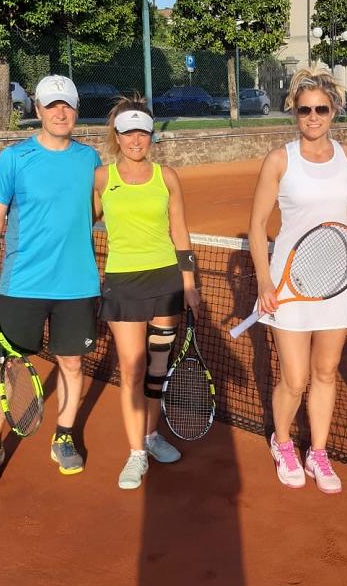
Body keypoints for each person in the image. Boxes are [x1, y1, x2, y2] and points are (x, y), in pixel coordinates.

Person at [0, 75, 101, 494]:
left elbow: (98, 210)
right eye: (52, 105)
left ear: (76, 110)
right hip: (21, 284)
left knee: (72, 365)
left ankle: (63, 436)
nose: (60, 112)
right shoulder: (14, 158)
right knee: (7, 367)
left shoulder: (91, 159)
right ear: (38, 110)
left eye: (67, 105)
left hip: (78, 285)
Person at [247, 67, 347, 494]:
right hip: (289, 285)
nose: (313, 117)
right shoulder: (280, 160)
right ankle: (283, 443)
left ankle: (319, 451)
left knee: (325, 372)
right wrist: (264, 283)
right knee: (295, 379)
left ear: (334, 111)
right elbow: (257, 226)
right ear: (294, 110)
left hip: (335, 285)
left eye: (321, 109)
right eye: (305, 109)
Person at [94, 96, 200, 490]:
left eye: (142, 132)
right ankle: (136, 453)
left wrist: (189, 284)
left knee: (157, 367)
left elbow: (180, 231)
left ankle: (151, 437)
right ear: (117, 136)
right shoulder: (101, 179)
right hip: (123, 285)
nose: (136, 140)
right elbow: (79, 222)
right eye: (128, 133)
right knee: (133, 368)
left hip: (165, 282)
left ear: (151, 135)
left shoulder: (166, 177)